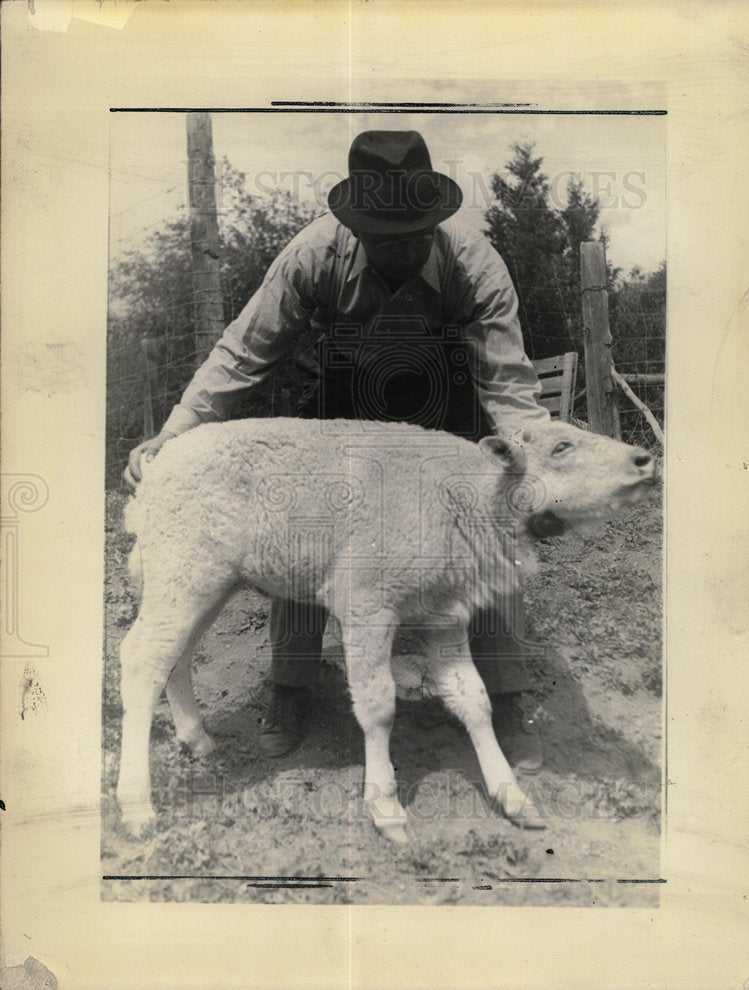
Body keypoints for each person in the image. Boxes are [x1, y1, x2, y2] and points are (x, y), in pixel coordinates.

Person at [126, 130, 551, 773]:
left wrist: (530, 472)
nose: (401, 247)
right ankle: (291, 689)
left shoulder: (475, 265)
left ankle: (507, 691)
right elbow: (244, 352)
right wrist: (176, 430)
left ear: (435, 221)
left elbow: (510, 384)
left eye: (415, 233)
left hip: (443, 413)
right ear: (356, 228)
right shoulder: (313, 255)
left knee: (482, 528)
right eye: (385, 237)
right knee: (306, 535)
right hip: (345, 414)